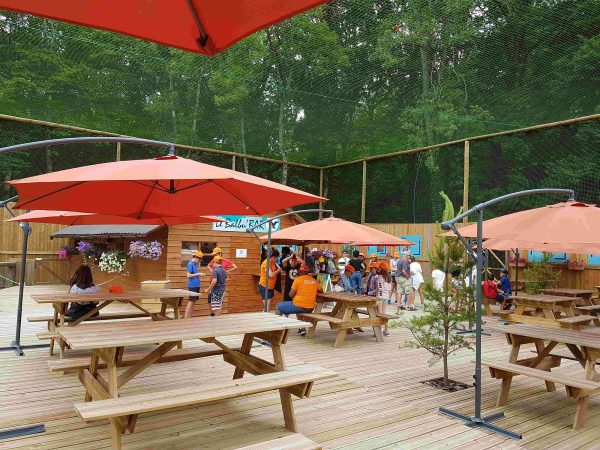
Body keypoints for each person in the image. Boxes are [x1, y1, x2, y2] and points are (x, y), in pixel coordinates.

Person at [276, 265, 322, 336]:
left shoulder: (298, 279)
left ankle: (278, 331)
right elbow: (321, 290)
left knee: (279, 306)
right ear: (307, 272)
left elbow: (291, 295)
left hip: (299, 305)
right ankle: (302, 329)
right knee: (298, 308)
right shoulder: (313, 280)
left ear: (300, 272)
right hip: (310, 308)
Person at [184, 251, 205, 319]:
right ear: (196, 258)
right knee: (191, 301)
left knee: (193, 302)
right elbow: (188, 275)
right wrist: (198, 274)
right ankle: (186, 318)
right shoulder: (190, 264)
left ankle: (189, 317)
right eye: (199, 260)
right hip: (192, 285)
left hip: (196, 285)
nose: (199, 262)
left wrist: (199, 274)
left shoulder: (194, 264)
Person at [377, 263, 392, 336]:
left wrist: (377, 295)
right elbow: (389, 289)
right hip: (386, 296)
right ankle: (386, 330)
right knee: (384, 313)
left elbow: (379, 287)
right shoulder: (388, 277)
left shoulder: (380, 277)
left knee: (380, 313)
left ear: (381, 268)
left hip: (380, 296)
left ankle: (380, 329)